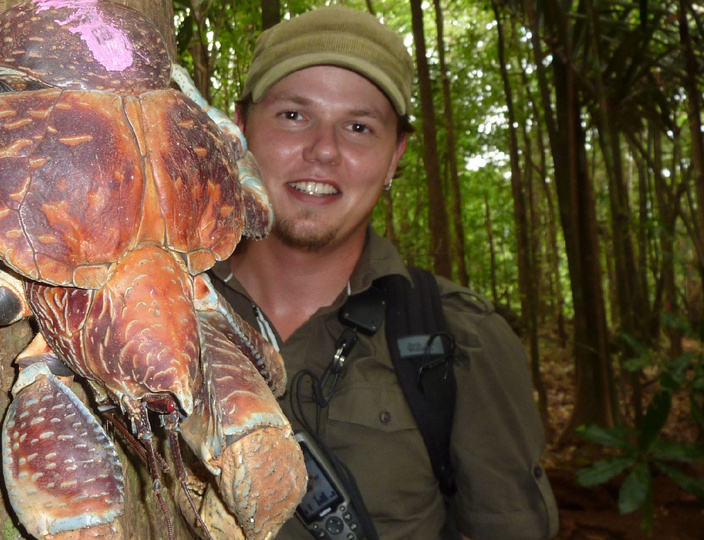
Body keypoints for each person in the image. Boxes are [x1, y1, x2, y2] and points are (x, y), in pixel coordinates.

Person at [210, 6, 559, 539]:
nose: (323, 150)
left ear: (394, 156)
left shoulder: (460, 340)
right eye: (293, 116)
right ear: (239, 128)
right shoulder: (149, 312)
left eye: (358, 127)